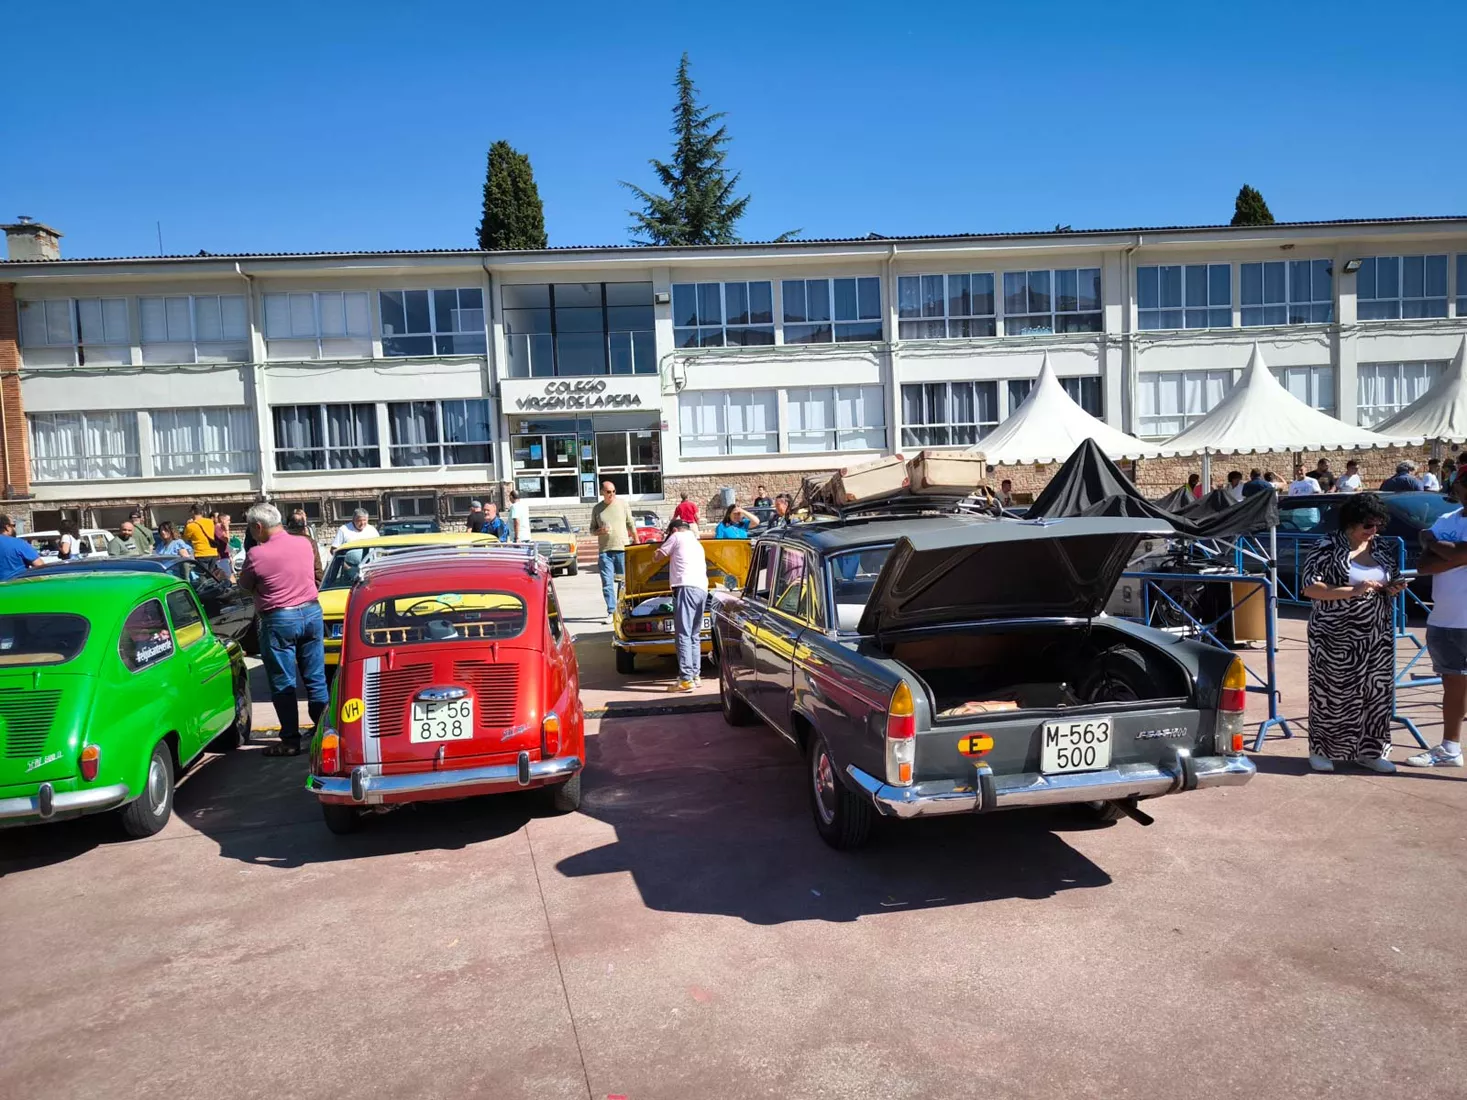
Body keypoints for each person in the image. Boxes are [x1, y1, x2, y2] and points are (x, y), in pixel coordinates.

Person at [1299, 493, 1407, 773]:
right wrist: (1354, 590)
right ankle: (1321, 749)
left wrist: (1392, 588)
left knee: (1376, 693)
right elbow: (1310, 587)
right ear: (1351, 523)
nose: (1374, 532)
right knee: (1333, 695)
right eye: (1368, 526)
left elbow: (1385, 580)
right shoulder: (1327, 546)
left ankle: (1371, 751)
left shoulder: (1380, 547)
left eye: (1378, 526)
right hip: (1335, 635)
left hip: (1377, 634)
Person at [238, 502, 328, 757]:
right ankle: (324, 733)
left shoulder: (257, 554)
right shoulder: (305, 543)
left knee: (283, 682)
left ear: (258, 527)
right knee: (315, 678)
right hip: (311, 612)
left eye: (252, 530)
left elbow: (245, 586)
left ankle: (290, 740)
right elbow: (314, 574)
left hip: (278, 619)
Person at [1407, 475, 1467, 768]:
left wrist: (1434, 541)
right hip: (1445, 618)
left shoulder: (1439, 527)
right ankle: (1450, 749)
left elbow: (1463, 553)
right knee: (1453, 686)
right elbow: (1424, 565)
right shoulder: (1446, 519)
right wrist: (1453, 553)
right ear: (1458, 488)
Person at [653, 517, 708, 693]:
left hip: (686, 587)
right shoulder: (697, 543)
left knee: (683, 634)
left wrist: (657, 547)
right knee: (694, 634)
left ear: (674, 530)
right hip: (702, 589)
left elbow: (657, 557)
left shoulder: (676, 537)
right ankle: (695, 675)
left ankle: (685, 679)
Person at [590, 480, 636, 623]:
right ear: (602, 492)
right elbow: (592, 530)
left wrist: (637, 540)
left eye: (614, 491)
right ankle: (611, 611)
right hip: (605, 551)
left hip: (622, 549)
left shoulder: (622, 504)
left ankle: (623, 609)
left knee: (624, 583)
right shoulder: (597, 509)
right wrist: (599, 531)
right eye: (608, 492)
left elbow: (630, 523)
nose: (611, 494)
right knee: (607, 583)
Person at [285, 510, 325, 587]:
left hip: (287, 588)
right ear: (304, 527)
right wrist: (319, 586)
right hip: (307, 589)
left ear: (287, 526)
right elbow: (317, 568)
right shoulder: (310, 542)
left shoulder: (280, 541)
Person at [0, 515, 42, 581]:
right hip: (17, 586)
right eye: (13, 525)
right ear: (7, 527)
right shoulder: (18, 543)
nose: (14, 528)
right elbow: (40, 566)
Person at [212, 513, 235, 579]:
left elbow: (227, 543)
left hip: (226, 555)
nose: (229, 522)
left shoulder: (222, 528)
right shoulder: (217, 527)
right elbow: (226, 540)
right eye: (228, 520)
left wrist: (230, 555)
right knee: (226, 576)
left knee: (230, 575)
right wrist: (227, 529)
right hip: (221, 557)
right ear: (222, 520)